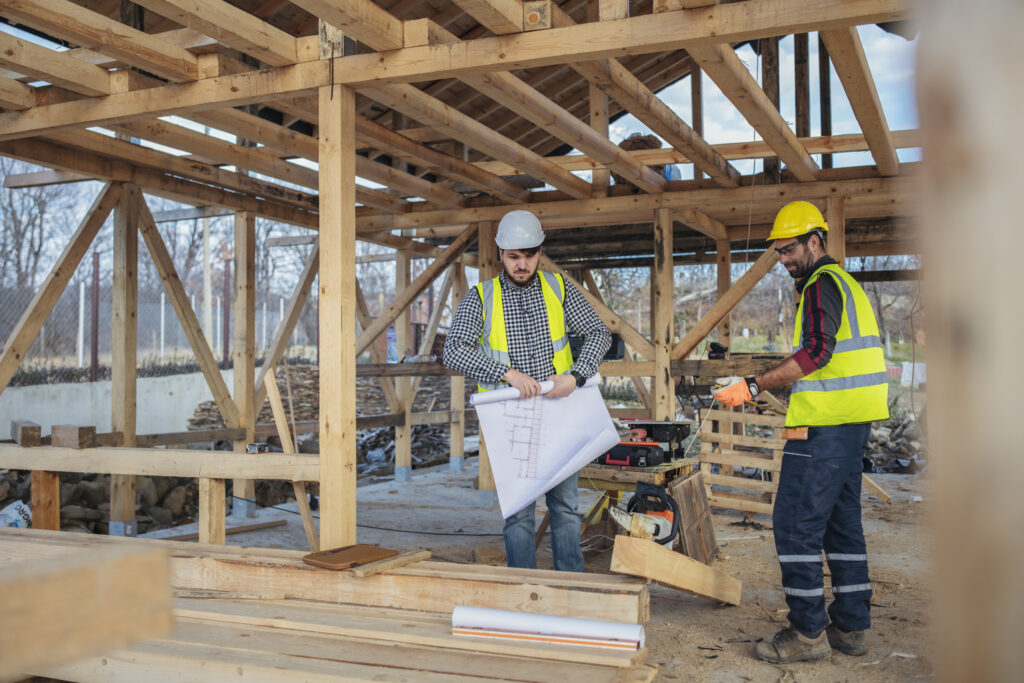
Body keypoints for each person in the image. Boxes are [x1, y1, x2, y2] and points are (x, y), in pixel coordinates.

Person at [714, 201, 888, 663]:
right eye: (777, 252)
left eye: (788, 249)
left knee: (795, 525)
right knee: (842, 525)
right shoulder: (846, 284)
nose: (783, 259)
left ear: (815, 241)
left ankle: (807, 633)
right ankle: (850, 627)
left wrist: (750, 385)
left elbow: (815, 353)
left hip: (824, 425)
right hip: (851, 422)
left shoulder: (820, 283)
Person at [443, 209, 611, 572]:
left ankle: (572, 586)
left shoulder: (559, 288)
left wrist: (577, 376)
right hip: (511, 419)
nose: (522, 264)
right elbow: (453, 351)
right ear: (500, 253)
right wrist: (506, 373)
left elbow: (600, 333)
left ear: (540, 251)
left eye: (529, 255)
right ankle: (523, 588)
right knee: (518, 514)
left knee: (565, 508)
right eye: (514, 256)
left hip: (560, 413)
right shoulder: (480, 298)